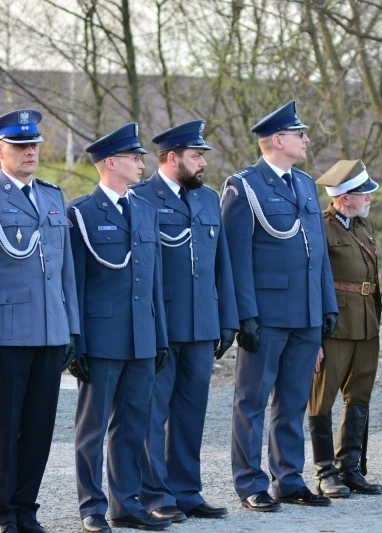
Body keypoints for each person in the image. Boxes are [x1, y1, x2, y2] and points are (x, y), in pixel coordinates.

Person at [0, 109, 81, 533]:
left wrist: (72, 328)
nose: (30, 152)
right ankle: (2, 512)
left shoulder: (51, 195)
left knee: (40, 427)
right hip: (6, 334)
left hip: (50, 330)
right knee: (4, 429)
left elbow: (65, 271)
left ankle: (27, 508)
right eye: (21, 146)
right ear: (0, 150)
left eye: (35, 146)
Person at [220, 100, 338, 511]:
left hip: (305, 312)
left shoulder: (305, 184)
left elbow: (318, 252)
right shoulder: (244, 186)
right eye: (299, 134)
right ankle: (250, 482)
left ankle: (288, 478)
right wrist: (245, 314)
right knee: (251, 401)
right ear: (277, 140)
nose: (306, 139)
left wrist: (326, 304)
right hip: (266, 315)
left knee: (292, 402)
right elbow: (235, 256)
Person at [133, 120, 238, 522]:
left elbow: (221, 262)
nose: (202, 164)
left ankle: (186, 490)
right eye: (196, 156)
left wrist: (227, 317)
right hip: (162, 323)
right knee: (153, 412)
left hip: (201, 323)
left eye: (203, 157)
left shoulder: (208, 199)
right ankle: (154, 494)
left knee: (192, 410)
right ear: (171, 157)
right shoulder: (142, 197)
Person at [68, 123, 170, 533]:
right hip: (101, 338)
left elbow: (155, 283)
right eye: (134, 157)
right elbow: (73, 284)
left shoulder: (145, 210)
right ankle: (92, 507)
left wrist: (159, 336)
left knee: (133, 425)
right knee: (92, 429)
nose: (142, 164)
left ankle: (125, 503)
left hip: (141, 337)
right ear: (111, 163)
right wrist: (76, 344)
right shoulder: (82, 213)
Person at [307, 159, 382, 498]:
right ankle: (325, 472)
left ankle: (349, 467)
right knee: (321, 398)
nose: (369, 197)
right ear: (344, 196)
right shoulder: (321, 227)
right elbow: (313, 281)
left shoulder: (363, 225)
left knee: (360, 394)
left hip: (366, 322)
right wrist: (314, 335)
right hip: (334, 324)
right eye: (363, 193)